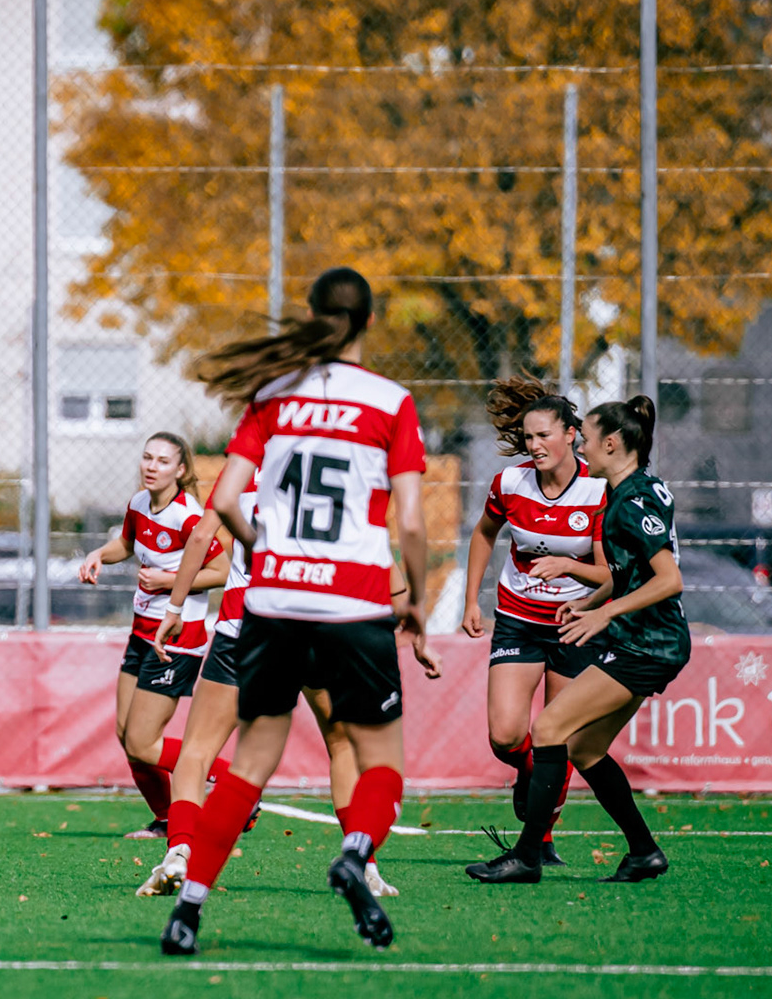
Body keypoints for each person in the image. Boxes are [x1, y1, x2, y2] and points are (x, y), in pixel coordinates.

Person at [155, 267, 430, 956]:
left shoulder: (272, 396)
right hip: (354, 602)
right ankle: (357, 852)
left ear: (311, 316)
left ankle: (190, 908)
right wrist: (419, 601)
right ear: (370, 321)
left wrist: (266, 550)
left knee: (249, 762)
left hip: (272, 602)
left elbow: (222, 502)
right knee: (380, 758)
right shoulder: (391, 402)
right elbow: (416, 523)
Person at [138, 484, 429, 901]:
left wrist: (174, 608)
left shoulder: (247, 466)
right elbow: (374, 550)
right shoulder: (333, 458)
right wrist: (411, 612)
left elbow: (202, 535)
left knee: (199, 752)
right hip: (319, 625)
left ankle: (180, 851)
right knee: (343, 745)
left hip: (248, 624)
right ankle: (364, 864)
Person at [466, 395, 684, 884]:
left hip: (646, 642)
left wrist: (601, 610)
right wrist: (594, 605)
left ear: (608, 443)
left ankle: (527, 855)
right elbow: (623, 576)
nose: (581, 445)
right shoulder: (643, 487)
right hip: (630, 636)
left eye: (584, 437)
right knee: (583, 749)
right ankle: (645, 852)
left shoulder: (625, 500)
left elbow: (668, 581)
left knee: (549, 731)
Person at [461, 376, 608, 865]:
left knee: (558, 736)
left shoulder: (599, 489)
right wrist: (470, 602)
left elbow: (609, 572)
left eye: (544, 435)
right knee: (507, 736)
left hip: (574, 624)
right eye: (528, 437)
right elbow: (484, 534)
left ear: (571, 434)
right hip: (518, 618)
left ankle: (540, 840)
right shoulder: (510, 483)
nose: (534, 445)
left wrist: (570, 570)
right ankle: (529, 773)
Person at [77, 434, 231, 841]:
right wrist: (98, 555)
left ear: (180, 470)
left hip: (178, 637)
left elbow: (221, 571)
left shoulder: (188, 516)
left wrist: (167, 580)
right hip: (142, 632)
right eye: (148, 458)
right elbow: (126, 544)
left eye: (163, 461)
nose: (152, 466)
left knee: (144, 744)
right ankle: (166, 820)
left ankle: (235, 783)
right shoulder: (139, 503)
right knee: (127, 736)